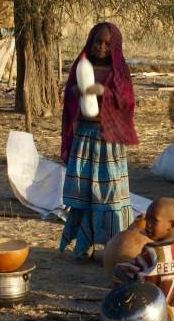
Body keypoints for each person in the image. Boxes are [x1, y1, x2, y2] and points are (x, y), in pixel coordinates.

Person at [59, 22, 138, 260]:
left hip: (109, 141)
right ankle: (83, 247)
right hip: (85, 137)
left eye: (107, 43)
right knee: (84, 193)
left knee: (110, 194)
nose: (101, 47)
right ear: (90, 42)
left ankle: (117, 249)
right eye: (97, 42)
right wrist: (76, 93)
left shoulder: (119, 72)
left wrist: (104, 91)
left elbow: (127, 102)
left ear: (115, 46)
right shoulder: (82, 67)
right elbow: (70, 104)